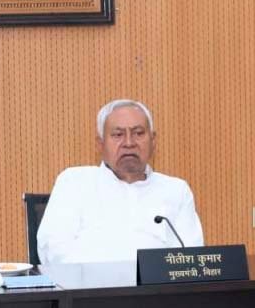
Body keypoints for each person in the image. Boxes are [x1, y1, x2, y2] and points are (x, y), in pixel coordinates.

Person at [37, 100, 204, 264]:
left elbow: (190, 260)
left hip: (156, 282)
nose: (129, 143)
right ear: (100, 144)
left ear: (153, 141)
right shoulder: (74, 183)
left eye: (138, 133)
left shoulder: (176, 190)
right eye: (118, 135)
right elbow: (54, 250)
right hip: (92, 282)